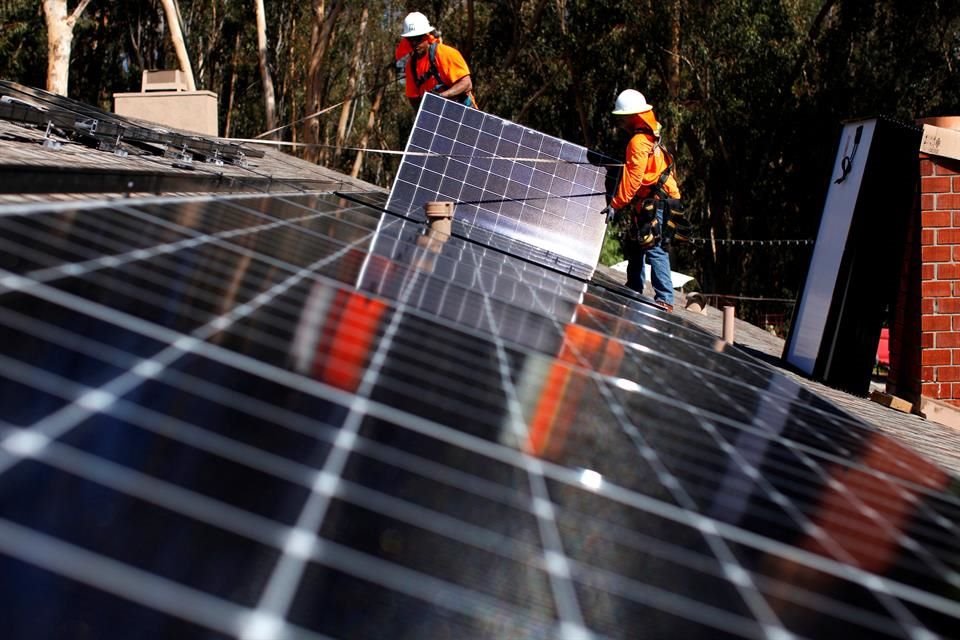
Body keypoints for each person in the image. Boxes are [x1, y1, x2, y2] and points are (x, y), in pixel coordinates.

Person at [602, 89, 681, 312]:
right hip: (659, 198)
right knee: (636, 243)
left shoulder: (638, 142)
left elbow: (634, 179)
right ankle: (634, 286)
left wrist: (616, 204)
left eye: (623, 117)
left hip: (656, 200)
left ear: (634, 116)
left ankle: (665, 298)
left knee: (653, 246)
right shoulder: (651, 133)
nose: (621, 122)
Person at [399, 12, 475, 110]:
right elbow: (413, 98)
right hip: (437, 119)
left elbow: (466, 83)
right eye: (410, 39)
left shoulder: (445, 53)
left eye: (418, 38)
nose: (414, 43)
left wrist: (440, 97)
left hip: (465, 113)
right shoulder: (411, 66)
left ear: (426, 35)